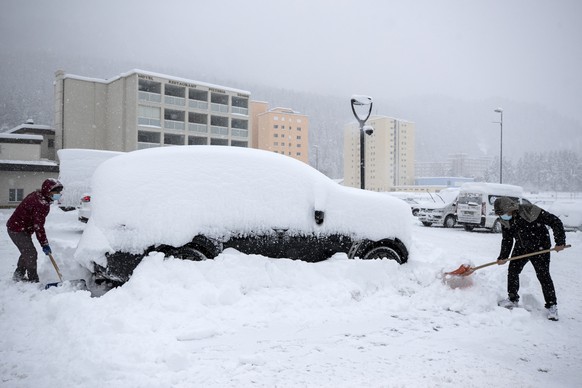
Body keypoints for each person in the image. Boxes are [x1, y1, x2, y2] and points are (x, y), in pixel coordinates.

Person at [493, 196, 566, 321]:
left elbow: (555, 221)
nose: (502, 216)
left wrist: (560, 242)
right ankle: (512, 299)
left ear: (510, 208)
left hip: (540, 247)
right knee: (513, 271)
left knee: (543, 275)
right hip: (521, 247)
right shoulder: (505, 220)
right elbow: (507, 239)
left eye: (503, 213)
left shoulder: (529, 210)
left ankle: (552, 306)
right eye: (500, 214)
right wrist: (503, 257)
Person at [6, 178, 63, 283]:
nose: (58, 194)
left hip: (22, 228)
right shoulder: (40, 203)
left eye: (59, 192)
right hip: (16, 229)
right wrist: (44, 244)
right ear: (47, 191)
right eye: (55, 191)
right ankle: (33, 280)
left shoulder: (41, 197)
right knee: (31, 253)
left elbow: (37, 224)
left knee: (27, 252)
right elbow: (39, 226)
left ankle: (18, 275)